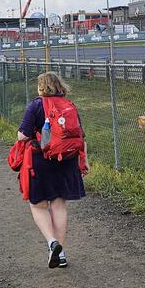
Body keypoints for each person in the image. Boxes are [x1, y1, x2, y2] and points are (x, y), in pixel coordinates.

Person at [17, 72, 87, 269]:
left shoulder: (36, 105)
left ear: (41, 87)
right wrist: (84, 161)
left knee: (38, 205)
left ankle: (51, 242)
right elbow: (81, 136)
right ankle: (61, 253)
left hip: (41, 160)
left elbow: (22, 136)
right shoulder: (68, 105)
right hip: (67, 161)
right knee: (58, 204)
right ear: (59, 85)